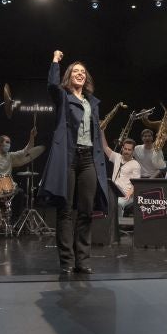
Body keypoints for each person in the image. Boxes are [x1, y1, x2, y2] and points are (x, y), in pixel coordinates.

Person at [39, 50, 108, 275]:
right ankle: (67, 262)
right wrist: (55, 62)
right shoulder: (63, 96)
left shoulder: (91, 102)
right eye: (75, 71)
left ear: (86, 78)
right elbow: (51, 85)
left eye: (83, 72)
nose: (80, 74)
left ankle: (83, 261)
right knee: (65, 210)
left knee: (86, 211)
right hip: (68, 158)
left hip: (88, 159)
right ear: (69, 76)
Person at [0, 111, 39, 201]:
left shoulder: (10, 156)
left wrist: (32, 136)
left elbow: (26, 150)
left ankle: (14, 215)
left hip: (6, 185)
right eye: (7, 142)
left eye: (10, 143)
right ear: (0, 143)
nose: (9, 144)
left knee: (20, 192)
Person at [101, 136, 141, 217]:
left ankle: (117, 226)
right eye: (125, 149)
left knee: (118, 204)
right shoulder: (117, 157)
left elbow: (136, 183)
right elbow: (105, 147)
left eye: (129, 150)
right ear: (122, 148)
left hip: (125, 194)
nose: (126, 151)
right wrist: (101, 130)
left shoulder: (135, 164)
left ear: (133, 151)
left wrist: (130, 193)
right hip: (113, 192)